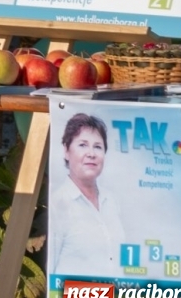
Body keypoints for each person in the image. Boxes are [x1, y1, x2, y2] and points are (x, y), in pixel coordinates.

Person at [47, 114, 127, 277]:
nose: (91, 153)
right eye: (83, 145)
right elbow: (50, 271)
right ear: (66, 151)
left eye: (98, 147)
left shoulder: (111, 200)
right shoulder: (57, 203)